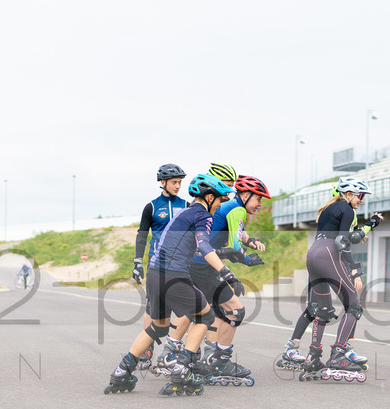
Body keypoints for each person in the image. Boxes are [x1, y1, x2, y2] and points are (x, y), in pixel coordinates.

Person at [104, 173, 243, 396]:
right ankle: (181, 370)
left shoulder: (185, 213)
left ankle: (122, 371)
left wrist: (225, 253)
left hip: (155, 275)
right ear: (209, 197)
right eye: (219, 200)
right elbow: (204, 247)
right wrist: (227, 273)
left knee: (158, 326)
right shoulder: (203, 216)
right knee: (205, 317)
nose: (219, 205)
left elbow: (191, 246)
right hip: (174, 276)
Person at [278, 181, 375, 371]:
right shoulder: (346, 210)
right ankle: (338, 354)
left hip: (313, 253)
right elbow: (342, 241)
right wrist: (355, 270)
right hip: (329, 254)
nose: (362, 201)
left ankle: (313, 357)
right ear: (349, 193)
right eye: (360, 196)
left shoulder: (328, 208)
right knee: (354, 306)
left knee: (321, 310)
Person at [186, 174, 270, 384]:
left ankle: (190, 359)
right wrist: (248, 260)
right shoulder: (238, 209)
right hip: (204, 267)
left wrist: (250, 241)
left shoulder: (231, 207)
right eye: (258, 198)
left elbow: (236, 235)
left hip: (197, 264)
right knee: (235, 311)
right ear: (245, 194)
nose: (259, 204)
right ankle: (219, 361)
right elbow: (234, 243)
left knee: (209, 314)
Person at [132, 163, 188, 369]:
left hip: (181, 264)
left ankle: (179, 347)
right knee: (152, 307)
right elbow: (142, 236)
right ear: (162, 183)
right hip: (158, 264)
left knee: (185, 306)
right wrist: (138, 262)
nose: (177, 186)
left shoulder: (186, 205)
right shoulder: (152, 207)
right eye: (174, 182)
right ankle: (146, 349)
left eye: (180, 182)